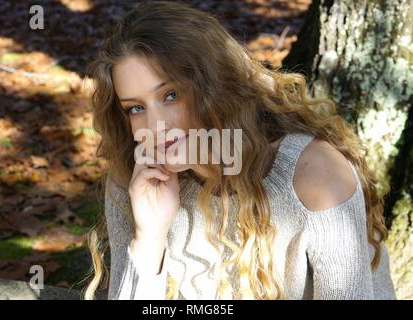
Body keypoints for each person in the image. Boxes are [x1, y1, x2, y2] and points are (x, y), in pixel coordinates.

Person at [83, 1, 396, 300]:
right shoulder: (137, 179)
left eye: (170, 95)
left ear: (215, 88)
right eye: (136, 108)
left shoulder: (313, 173)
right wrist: (149, 237)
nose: (155, 125)